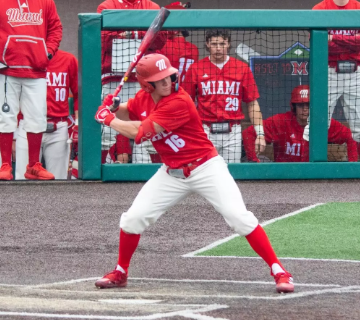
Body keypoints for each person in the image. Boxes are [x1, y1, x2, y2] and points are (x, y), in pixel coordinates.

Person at [94, 53, 294, 294]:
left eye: (169, 75)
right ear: (147, 85)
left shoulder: (179, 101)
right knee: (132, 219)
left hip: (205, 167)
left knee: (239, 218)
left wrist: (108, 119)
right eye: (161, 79)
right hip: (171, 173)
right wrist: (115, 107)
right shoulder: (143, 98)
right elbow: (130, 110)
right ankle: (121, 271)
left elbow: (139, 132)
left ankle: (280, 271)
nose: (168, 81)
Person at [97, 0, 167, 164]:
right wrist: (141, 33)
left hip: (145, 78)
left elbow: (160, 39)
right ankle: (97, 173)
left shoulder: (151, 7)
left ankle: (156, 170)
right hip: (113, 75)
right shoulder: (107, 6)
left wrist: (126, 33)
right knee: (106, 129)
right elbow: (105, 41)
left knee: (150, 124)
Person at [0, 0, 62, 180]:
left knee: (37, 117)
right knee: (5, 116)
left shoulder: (46, 2)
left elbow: (55, 28)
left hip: (36, 69)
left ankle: (33, 165)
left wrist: (47, 53)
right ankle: (5, 165)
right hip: (6, 68)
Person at [182, 29, 266, 163]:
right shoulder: (196, 68)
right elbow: (186, 103)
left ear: (228, 44)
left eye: (222, 44)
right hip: (205, 130)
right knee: (204, 171)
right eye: (214, 44)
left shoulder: (242, 68)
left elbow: (252, 103)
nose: (218, 48)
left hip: (233, 131)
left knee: (231, 173)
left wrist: (260, 134)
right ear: (207, 44)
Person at [242, 85, 358, 162]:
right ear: (294, 106)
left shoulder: (323, 122)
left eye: (308, 105)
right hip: (283, 175)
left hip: (314, 176)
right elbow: (248, 133)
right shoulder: (280, 121)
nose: (305, 109)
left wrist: (352, 165)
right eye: (301, 105)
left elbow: (351, 136)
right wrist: (254, 161)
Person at [15, 50, 78, 179]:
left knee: (58, 180)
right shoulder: (22, 58)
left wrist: (78, 124)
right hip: (27, 125)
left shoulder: (68, 60)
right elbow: (12, 97)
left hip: (57, 127)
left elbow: (79, 95)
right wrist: (14, 135)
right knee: (22, 181)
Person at [312, 0, 360, 156]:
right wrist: (350, 43)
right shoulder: (320, 9)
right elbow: (320, 43)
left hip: (356, 72)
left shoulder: (358, 7)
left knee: (359, 125)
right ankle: (310, 167)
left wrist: (334, 38)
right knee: (317, 123)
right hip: (329, 71)